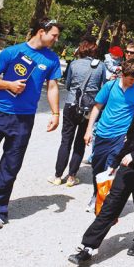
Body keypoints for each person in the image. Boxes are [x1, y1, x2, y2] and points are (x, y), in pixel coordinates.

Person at [0, 18, 63, 229]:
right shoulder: (12, 52)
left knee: (10, 165)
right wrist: (8, 84)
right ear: (40, 32)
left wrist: (55, 113)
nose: (56, 39)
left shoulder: (52, 59)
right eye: (53, 35)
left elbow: (52, 87)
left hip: (24, 119)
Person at [68, 82, 134, 265]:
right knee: (110, 204)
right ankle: (88, 247)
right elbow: (129, 141)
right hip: (126, 168)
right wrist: (114, 163)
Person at [84, 60, 134, 210]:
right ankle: (96, 193)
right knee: (97, 168)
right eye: (131, 79)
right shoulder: (109, 86)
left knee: (110, 168)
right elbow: (97, 107)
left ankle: (104, 202)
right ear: (123, 75)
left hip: (121, 135)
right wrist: (88, 130)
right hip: (103, 133)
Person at [50, 37, 106, 187]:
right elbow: (103, 87)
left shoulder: (74, 64)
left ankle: (57, 175)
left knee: (65, 140)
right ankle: (72, 177)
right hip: (89, 107)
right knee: (80, 142)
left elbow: (67, 85)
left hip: (71, 104)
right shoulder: (101, 66)